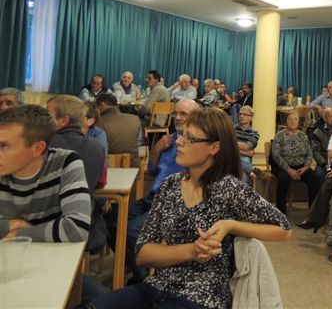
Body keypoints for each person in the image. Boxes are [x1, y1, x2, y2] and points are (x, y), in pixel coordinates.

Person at [85, 107, 292, 309]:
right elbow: (142, 253)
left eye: (190, 139)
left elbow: (284, 229)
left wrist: (231, 225)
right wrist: (191, 251)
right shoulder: (170, 185)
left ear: (214, 147)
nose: (179, 142)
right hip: (156, 287)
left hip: (202, 297)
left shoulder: (228, 187)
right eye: (182, 135)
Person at [105, 99, 199, 285]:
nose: (177, 118)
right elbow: (152, 171)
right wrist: (156, 149)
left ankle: (144, 281)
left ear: (196, 117)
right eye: (175, 113)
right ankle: (134, 263)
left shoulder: (196, 143)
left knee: (133, 231)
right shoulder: (168, 139)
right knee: (110, 218)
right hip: (151, 198)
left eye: (183, 114)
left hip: (173, 201)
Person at [0, 105, 92, 242]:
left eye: (3, 146)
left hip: (52, 259)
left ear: (38, 148)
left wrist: (19, 233)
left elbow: (76, 229)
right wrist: (12, 224)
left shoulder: (65, 163)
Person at [47, 95, 106, 195]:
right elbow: (101, 183)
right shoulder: (98, 146)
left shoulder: (44, 145)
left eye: (47, 116)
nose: (43, 119)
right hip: (85, 208)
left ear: (63, 120)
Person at [270, 112, 320, 216]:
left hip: (301, 166)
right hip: (282, 166)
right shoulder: (280, 135)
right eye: (290, 119)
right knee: (284, 178)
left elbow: (309, 154)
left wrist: (306, 167)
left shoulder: (303, 135)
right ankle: (280, 213)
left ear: (299, 122)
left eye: (295, 119)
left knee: (313, 178)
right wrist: (288, 170)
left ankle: (313, 213)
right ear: (286, 121)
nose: (292, 121)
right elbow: (275, 155)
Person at [96, 93, 144, 166]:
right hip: (132, 167)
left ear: (101, 105)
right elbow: (140, 143)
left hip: (107, 167)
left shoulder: (98, 123)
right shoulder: (135, 119)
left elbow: (97, 148)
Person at [310, 107, 332, 178]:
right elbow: (315, 152)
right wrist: (325, 165)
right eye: (331, 116)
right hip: (323, 163)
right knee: (319, 175)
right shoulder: (317, 132)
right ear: (324, 118)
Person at [235, 105, 260, 182]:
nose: (242, 116)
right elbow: (249, 152)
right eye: (240, 114)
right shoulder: (231, 129)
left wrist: (232, 146)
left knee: (244, 176)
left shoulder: (254, 134)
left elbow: (247, 147)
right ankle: (254, 170)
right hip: (229, 159)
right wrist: (247, 153)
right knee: (242, 158)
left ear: (251, 117)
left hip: (243, 161)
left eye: (245, 114)